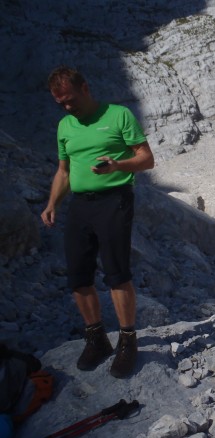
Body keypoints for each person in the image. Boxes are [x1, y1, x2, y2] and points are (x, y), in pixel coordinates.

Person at [41, 66, 154, 378]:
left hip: (114, 199)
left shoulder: (118, 115)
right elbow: (63, 171)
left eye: (70, 100)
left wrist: (117, 165)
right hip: (79, 205)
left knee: (117, 272)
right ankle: (97, 339)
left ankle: (128, 341)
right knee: (78, 274)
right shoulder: (65, 125)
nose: (67, 107)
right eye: (60, 103)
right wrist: (52, 203)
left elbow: (147, 158)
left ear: (85, 87)